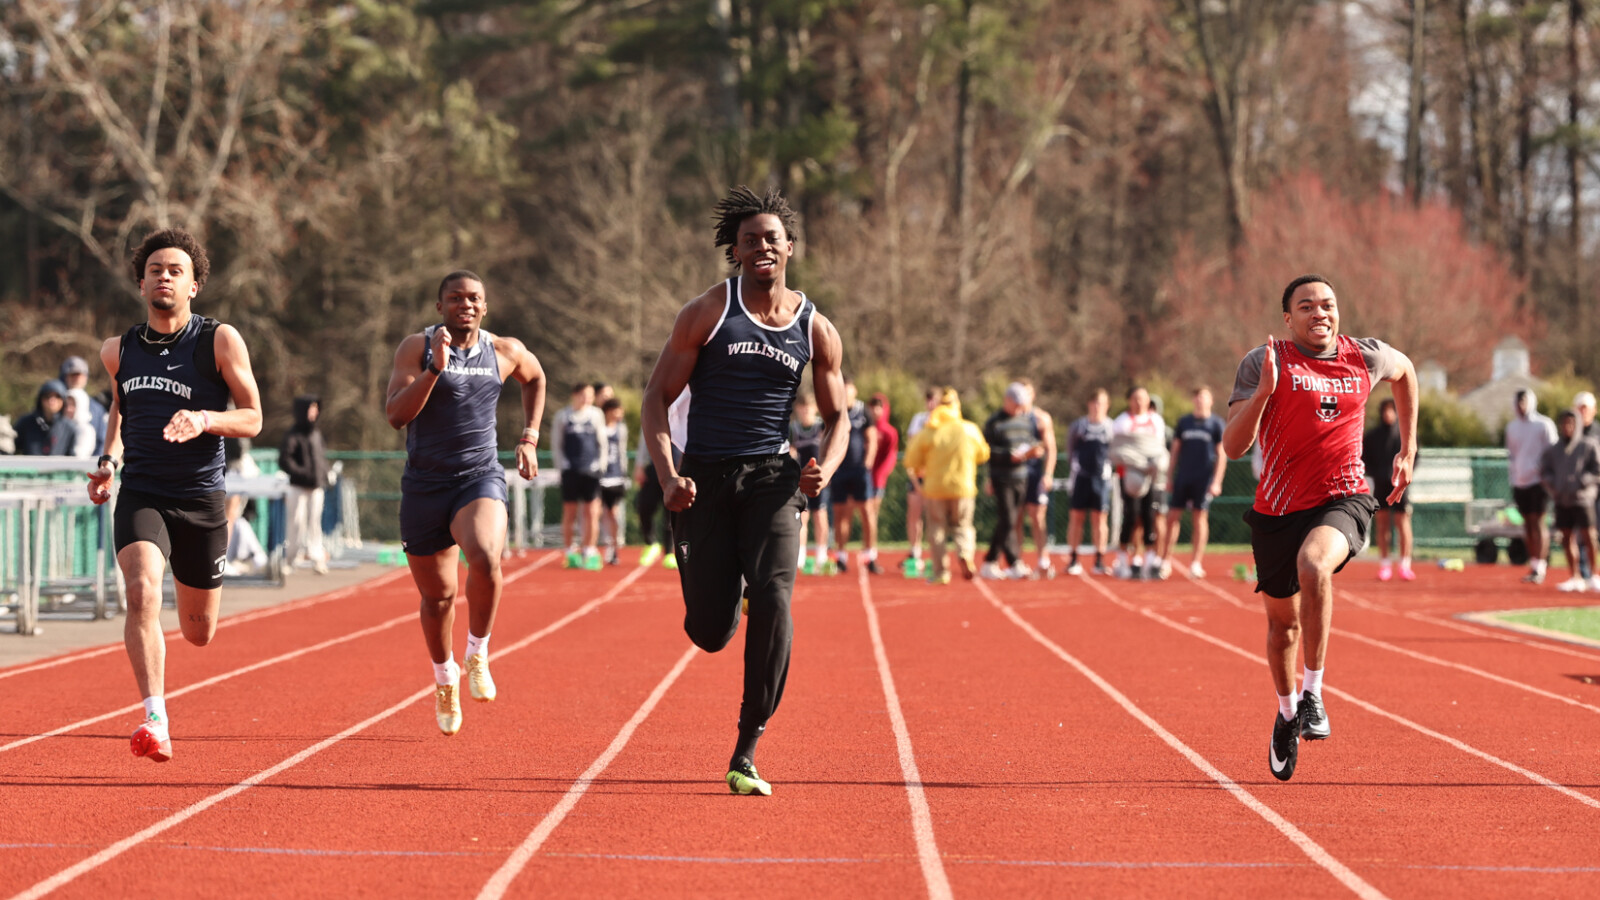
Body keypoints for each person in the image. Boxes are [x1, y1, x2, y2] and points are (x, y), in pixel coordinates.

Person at [640, 185, 848, 797]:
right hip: (704, 479)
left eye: (773, 239)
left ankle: (747, 747)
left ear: (791, 249)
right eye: (751, 239)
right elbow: (655, 398)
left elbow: (839, 417)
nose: (763, 247)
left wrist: (823, 471)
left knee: (778, 598)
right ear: (735, 250)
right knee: (708, 632)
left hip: (773, 479)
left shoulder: (816, 328)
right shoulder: (707, 311)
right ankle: (732, 593)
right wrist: (668, 474)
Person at [1222, 273, 1417, 783]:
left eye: (1327, 304)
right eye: (1306, 306)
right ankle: (1286, 714)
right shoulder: (1264, 363)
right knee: (1281, 626)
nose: (1320, 313)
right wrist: (1264, 392)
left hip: (1344, 498)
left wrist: (1408, 447)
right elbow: (1233, 447)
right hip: (1277, 510)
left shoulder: (1364, 356)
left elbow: (1406, 370)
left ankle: (1313, 693)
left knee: (1315, 565)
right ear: (1288, 319)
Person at [84, 228, 264, 762]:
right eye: (156, 269)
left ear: (194, 286)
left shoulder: (219, 340)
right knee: (140, 592)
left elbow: (253, 417)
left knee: (199, 631)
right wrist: (108, 462)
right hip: (143, 491)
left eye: (176, 270)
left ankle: (176, 665)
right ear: (141, 284)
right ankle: (155, 718)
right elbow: (120, 408)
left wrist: (205, 418)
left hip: (203, 499)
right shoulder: (117, 350)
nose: (165, 276)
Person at [386, 269, 544, 736]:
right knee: (438, 598)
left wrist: (530, 436)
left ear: (486, 306)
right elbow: (396, 415)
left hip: (477, 477)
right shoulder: (417, 348)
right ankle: (444, 677)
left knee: (485, 555)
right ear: (440, 307)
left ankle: (477, 652)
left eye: (474, 298)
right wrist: (434, 368)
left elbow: (535, 379)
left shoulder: (504, 350)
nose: (466, 305)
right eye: (455, 298)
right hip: (424, 485)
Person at [903, 388, 989, 583]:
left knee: (937, 530)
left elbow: (911, 459)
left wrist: (922, 470)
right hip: (963, 487)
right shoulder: (969, 429)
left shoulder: (929, 431)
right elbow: (983, 454)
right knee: (963, 525)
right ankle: (965, 553)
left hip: (935, 489)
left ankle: (941, 572)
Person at [981, 382, 1045, 579]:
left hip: (1021, 476)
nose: (1019, 407)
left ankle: (1012, 561)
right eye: (1016, 403)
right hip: (1001, 477)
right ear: (1007, 400)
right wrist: (1009, 456)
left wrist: (1035, 449)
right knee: (1008, 519)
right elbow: (986, 451)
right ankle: (992, 561)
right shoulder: (994, 422)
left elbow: (1031, 441)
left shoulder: (1026, 420)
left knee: (1012, 519)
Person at [1162, 386, 1227, 578]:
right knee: (1172, 517)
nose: (1200, 401)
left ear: (1210, 401)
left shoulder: (1216, 424)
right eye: (1197, 397)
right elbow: (1174, 452)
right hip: (1183, 477)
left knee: (1200, 518)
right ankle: (1165, 560)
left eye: (1204, 397)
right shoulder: (1184, 422)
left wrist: (1217, 481)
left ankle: (1196, 563)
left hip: (1204, 479)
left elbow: (1221, 455)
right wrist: (1168, 477)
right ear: (1193, 400)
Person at [1110, 386, 1169, 579]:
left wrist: (1154, 464)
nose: (1139, 402)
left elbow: (1158, 447)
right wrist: (1136, 463)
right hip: (1129, 476)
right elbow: (1117, 451)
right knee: (1131, 515)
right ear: (1130, 400)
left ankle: (1151, 559)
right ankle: (1125, 558)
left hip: (1151, 476)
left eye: (1143, 398)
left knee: (1150, 515)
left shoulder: (1156, 421)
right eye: (1135, 398)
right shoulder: (1121, 423)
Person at [1540, 410, 1600, 592]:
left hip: (1583, 500)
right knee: (1567, 538)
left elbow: (1596, 470)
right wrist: (1554, 486)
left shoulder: (1588, 445)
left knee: (1589, 536)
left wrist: (1582, 482)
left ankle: (1594, 575)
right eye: (1564, 423)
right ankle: (1575, 576)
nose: (1567, 427)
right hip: (1562, 500)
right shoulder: (1553, 449)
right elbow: (1545, 471)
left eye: (1571, 424)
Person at [553, 383, 608, 570]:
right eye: (584, 395)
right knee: (570, 512)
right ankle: (569, 550)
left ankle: (589, 550)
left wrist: (601, 465)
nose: (588, 399)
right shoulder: (563, 416)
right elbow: (557, 444)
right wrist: (563, 467)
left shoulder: (596, 415)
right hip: (571, 471)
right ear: (575, 395)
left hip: (591, 472)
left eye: (591, 396)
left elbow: (602, 442)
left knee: (592, 512)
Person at [1506, 388, 1557, 584]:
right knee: (1527, 524)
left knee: (1538, 522)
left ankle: (1542, 566)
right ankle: (1534, 564)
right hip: (1520, 482)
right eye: (1518, 402)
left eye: (1524, 401)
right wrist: (1514, 477)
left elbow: (1552, 452)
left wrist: (1542, 472)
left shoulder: (1544, 425)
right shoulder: (1512, 427)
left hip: (1539, 482)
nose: (1521, 405)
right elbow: (1512, 455)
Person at [829, 377, 878, 574]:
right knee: (841, 514)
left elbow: (872, 439)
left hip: (859, 470)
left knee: (867, 512)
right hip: (840, 470)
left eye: (848, 390)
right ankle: (841, 556)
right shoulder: (834, 410)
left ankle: (870, 554)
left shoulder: (863, 411)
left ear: (854, 391)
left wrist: (867, 464)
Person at [1064, 388, 1115, 575]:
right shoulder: (1079, 426)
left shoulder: (1111, 428)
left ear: (1107, 405)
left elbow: (1115, 450)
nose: (1096, 407)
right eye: (1094, 403)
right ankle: (1073, 559)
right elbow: (1070, 449)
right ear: (1089, 404)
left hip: (1101, 479)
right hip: (1081, 478)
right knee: (1076, 517)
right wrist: (1076, 466)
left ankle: (1099, 560)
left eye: (1100, 403)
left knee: (1100, 518)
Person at [1362, 397, 1414, 581]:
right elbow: (1364, 458)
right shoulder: (1371, 437)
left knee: (1402, 522)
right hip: (1381, 484)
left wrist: (1404, 475)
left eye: (1392, 409)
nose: (1388, 413)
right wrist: (1377, 473)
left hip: (1400, 485)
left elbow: (1414, 456)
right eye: (1385, 410)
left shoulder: (1405, 435)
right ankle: (1385, 565)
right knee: (1382, 523)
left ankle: (1405, 564)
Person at [279, 394, 331, 575]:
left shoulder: (317, 433)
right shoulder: (293, 434)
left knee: (315, 524)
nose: (314, 412)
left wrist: (325, 474)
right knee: (296, 523)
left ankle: (317, 558)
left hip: (316, 487)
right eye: (311, 408)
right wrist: (303, 474)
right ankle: (291, 559)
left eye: (316, 408)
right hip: (298, 487)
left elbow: (321, 457)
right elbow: (285, 460)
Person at [1015, 380, 1058, 577]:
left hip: (1034, 475)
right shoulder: (1009, 418)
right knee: (1015, 518)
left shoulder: (1040, 418)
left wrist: (1048, 474)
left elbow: (1050, 449)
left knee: (1037, 517)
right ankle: (1016, 561)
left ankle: (1043, 561)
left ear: (1033, 395)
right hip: (1015, 476)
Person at [790, 392, 834, 575]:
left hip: (818, 478)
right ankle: (800, 555)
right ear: (797, 409)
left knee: (820, 515)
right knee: (803, 517)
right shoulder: (793, 428)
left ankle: (821, 554)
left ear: (815, 408)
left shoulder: (820, 427)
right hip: (801, 479)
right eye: (802, 407)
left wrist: (826, 472)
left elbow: (828, 447)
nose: (806, 410)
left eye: (809, 407)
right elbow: (791, 451)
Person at [901, 387, 939, 577]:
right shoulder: (918, 419)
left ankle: (935, 554)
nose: (931, 403)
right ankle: (914, 552)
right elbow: (912, 447)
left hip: (936, 475)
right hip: (919, 473)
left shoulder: (945, 422)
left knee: (935, 516)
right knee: (914, 513)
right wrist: (914, 475)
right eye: (929, 399)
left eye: (935, 400)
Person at [632, 427, 676, 569]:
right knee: (644, 506)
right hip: (654, 467)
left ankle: (669, 552)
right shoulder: (654, 408)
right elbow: (645, 437)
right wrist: (639, 465)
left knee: (671, 512)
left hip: (677, 469)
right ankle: (651, 543)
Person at [866, 392, 898, 573]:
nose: (876, 410)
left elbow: (890, 458)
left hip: (876, 481)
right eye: (873, 406)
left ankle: (871, 555)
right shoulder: (862, 427)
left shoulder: (889, 432)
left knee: (871, 517)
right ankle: (840, 555)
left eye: (879, 406)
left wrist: (879, 477)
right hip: (858, 479)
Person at [598, 396, 629, 565]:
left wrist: (624, 473)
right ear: (609, 412)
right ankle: (603, 546)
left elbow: (622, 452)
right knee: (601, 513)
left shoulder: (621, 429)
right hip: (602, 476)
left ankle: (614, 547)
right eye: (617, 410)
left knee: (613, 513)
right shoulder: (600, 428)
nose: (620, 414)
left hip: (616, 476)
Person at [60, 355, 108, 455]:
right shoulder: (56, 402)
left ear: (86, 377)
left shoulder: (97, 409)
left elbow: (102, 439)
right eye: (72, 375)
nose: (76, 379)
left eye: (79, 375)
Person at [16, 380, 65, 456]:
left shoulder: (70, 428)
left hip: (59, 467)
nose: (52, 401)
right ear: (41, 399)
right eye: (47, 396)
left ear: (63, 400)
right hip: (30, 466)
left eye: (57, 396)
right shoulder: (25, 423)